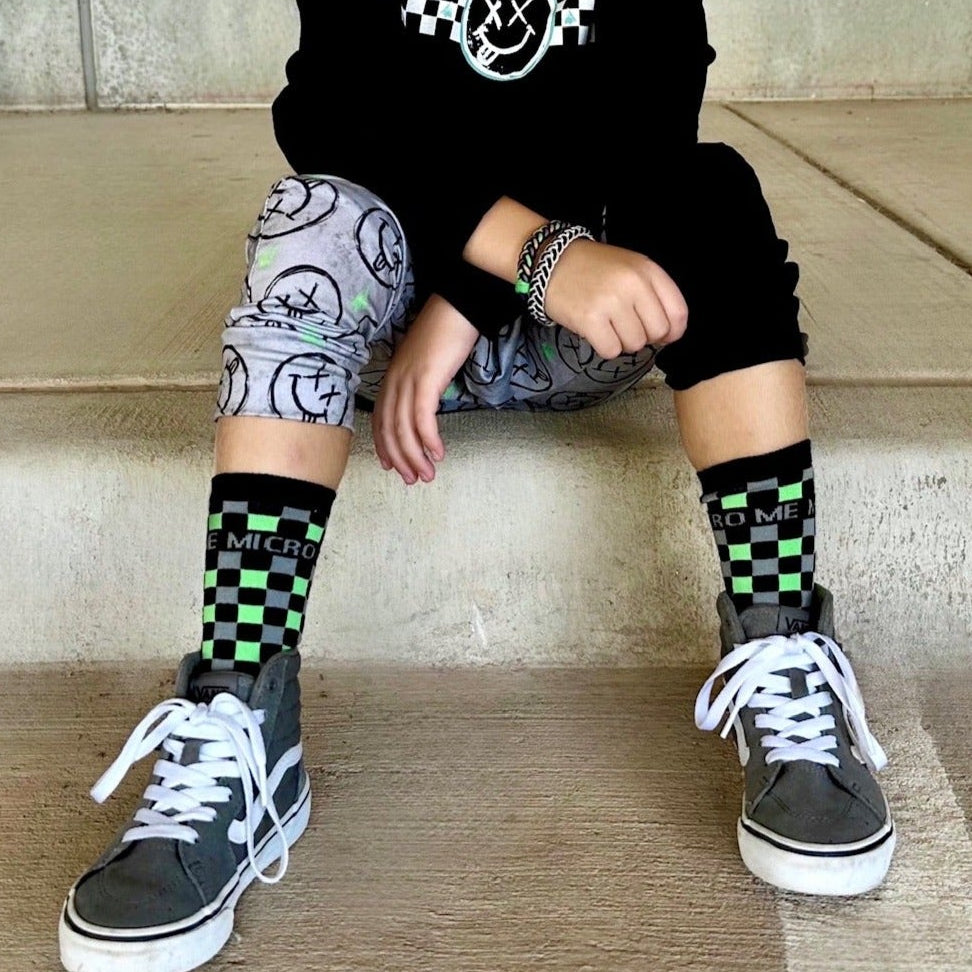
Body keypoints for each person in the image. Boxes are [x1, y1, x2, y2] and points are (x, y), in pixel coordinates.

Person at [58, 3, 896, 970]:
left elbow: (649, 101)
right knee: (311, 218)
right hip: (387, 324)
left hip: (583, 321)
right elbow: (329, 109)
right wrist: (514, 258)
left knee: (707, 189)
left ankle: (782, 647)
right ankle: (243, 709)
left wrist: (487, 294)